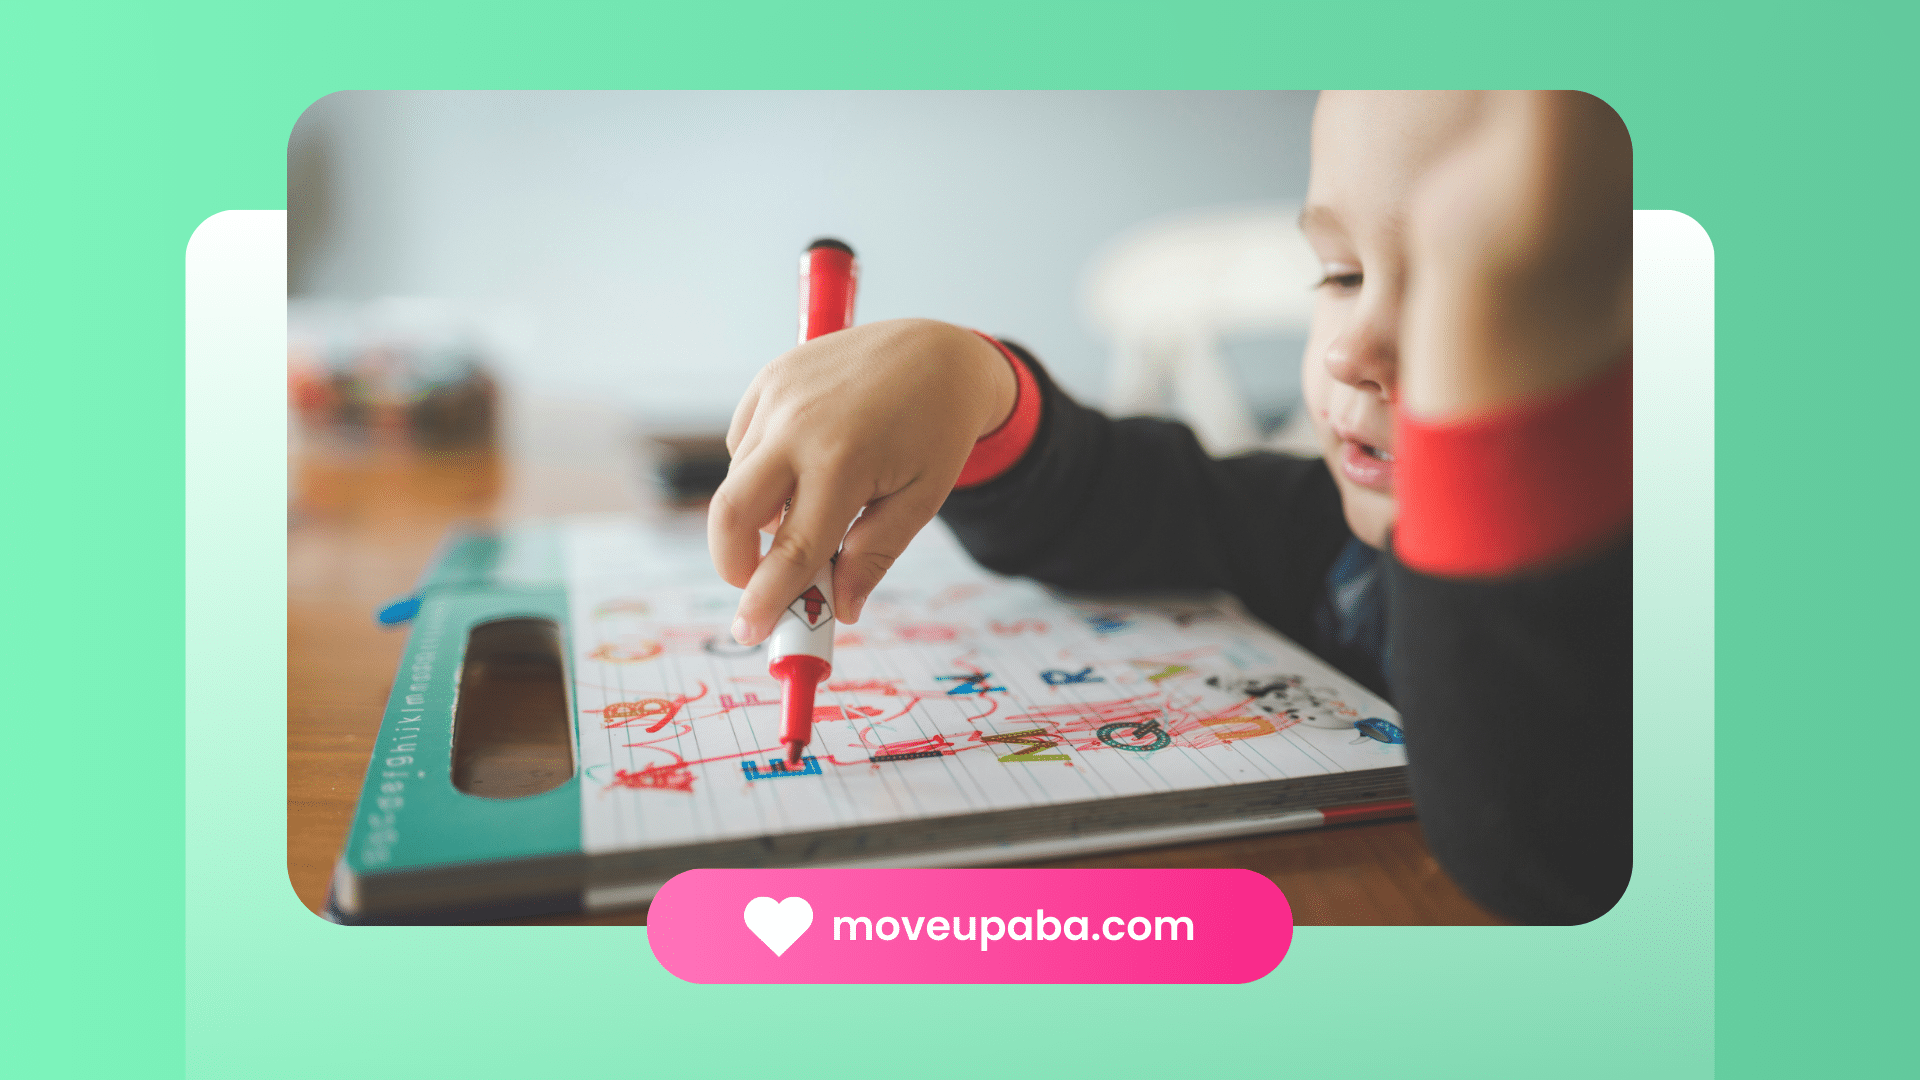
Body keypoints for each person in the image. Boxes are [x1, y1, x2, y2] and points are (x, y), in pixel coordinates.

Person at [707, 91, 1632, 924]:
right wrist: (970, 382)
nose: (1350, 348)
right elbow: (1131, 502)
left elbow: (1547, 853)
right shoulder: (1328, 541)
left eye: (1483, 291)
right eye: (1341, 275)